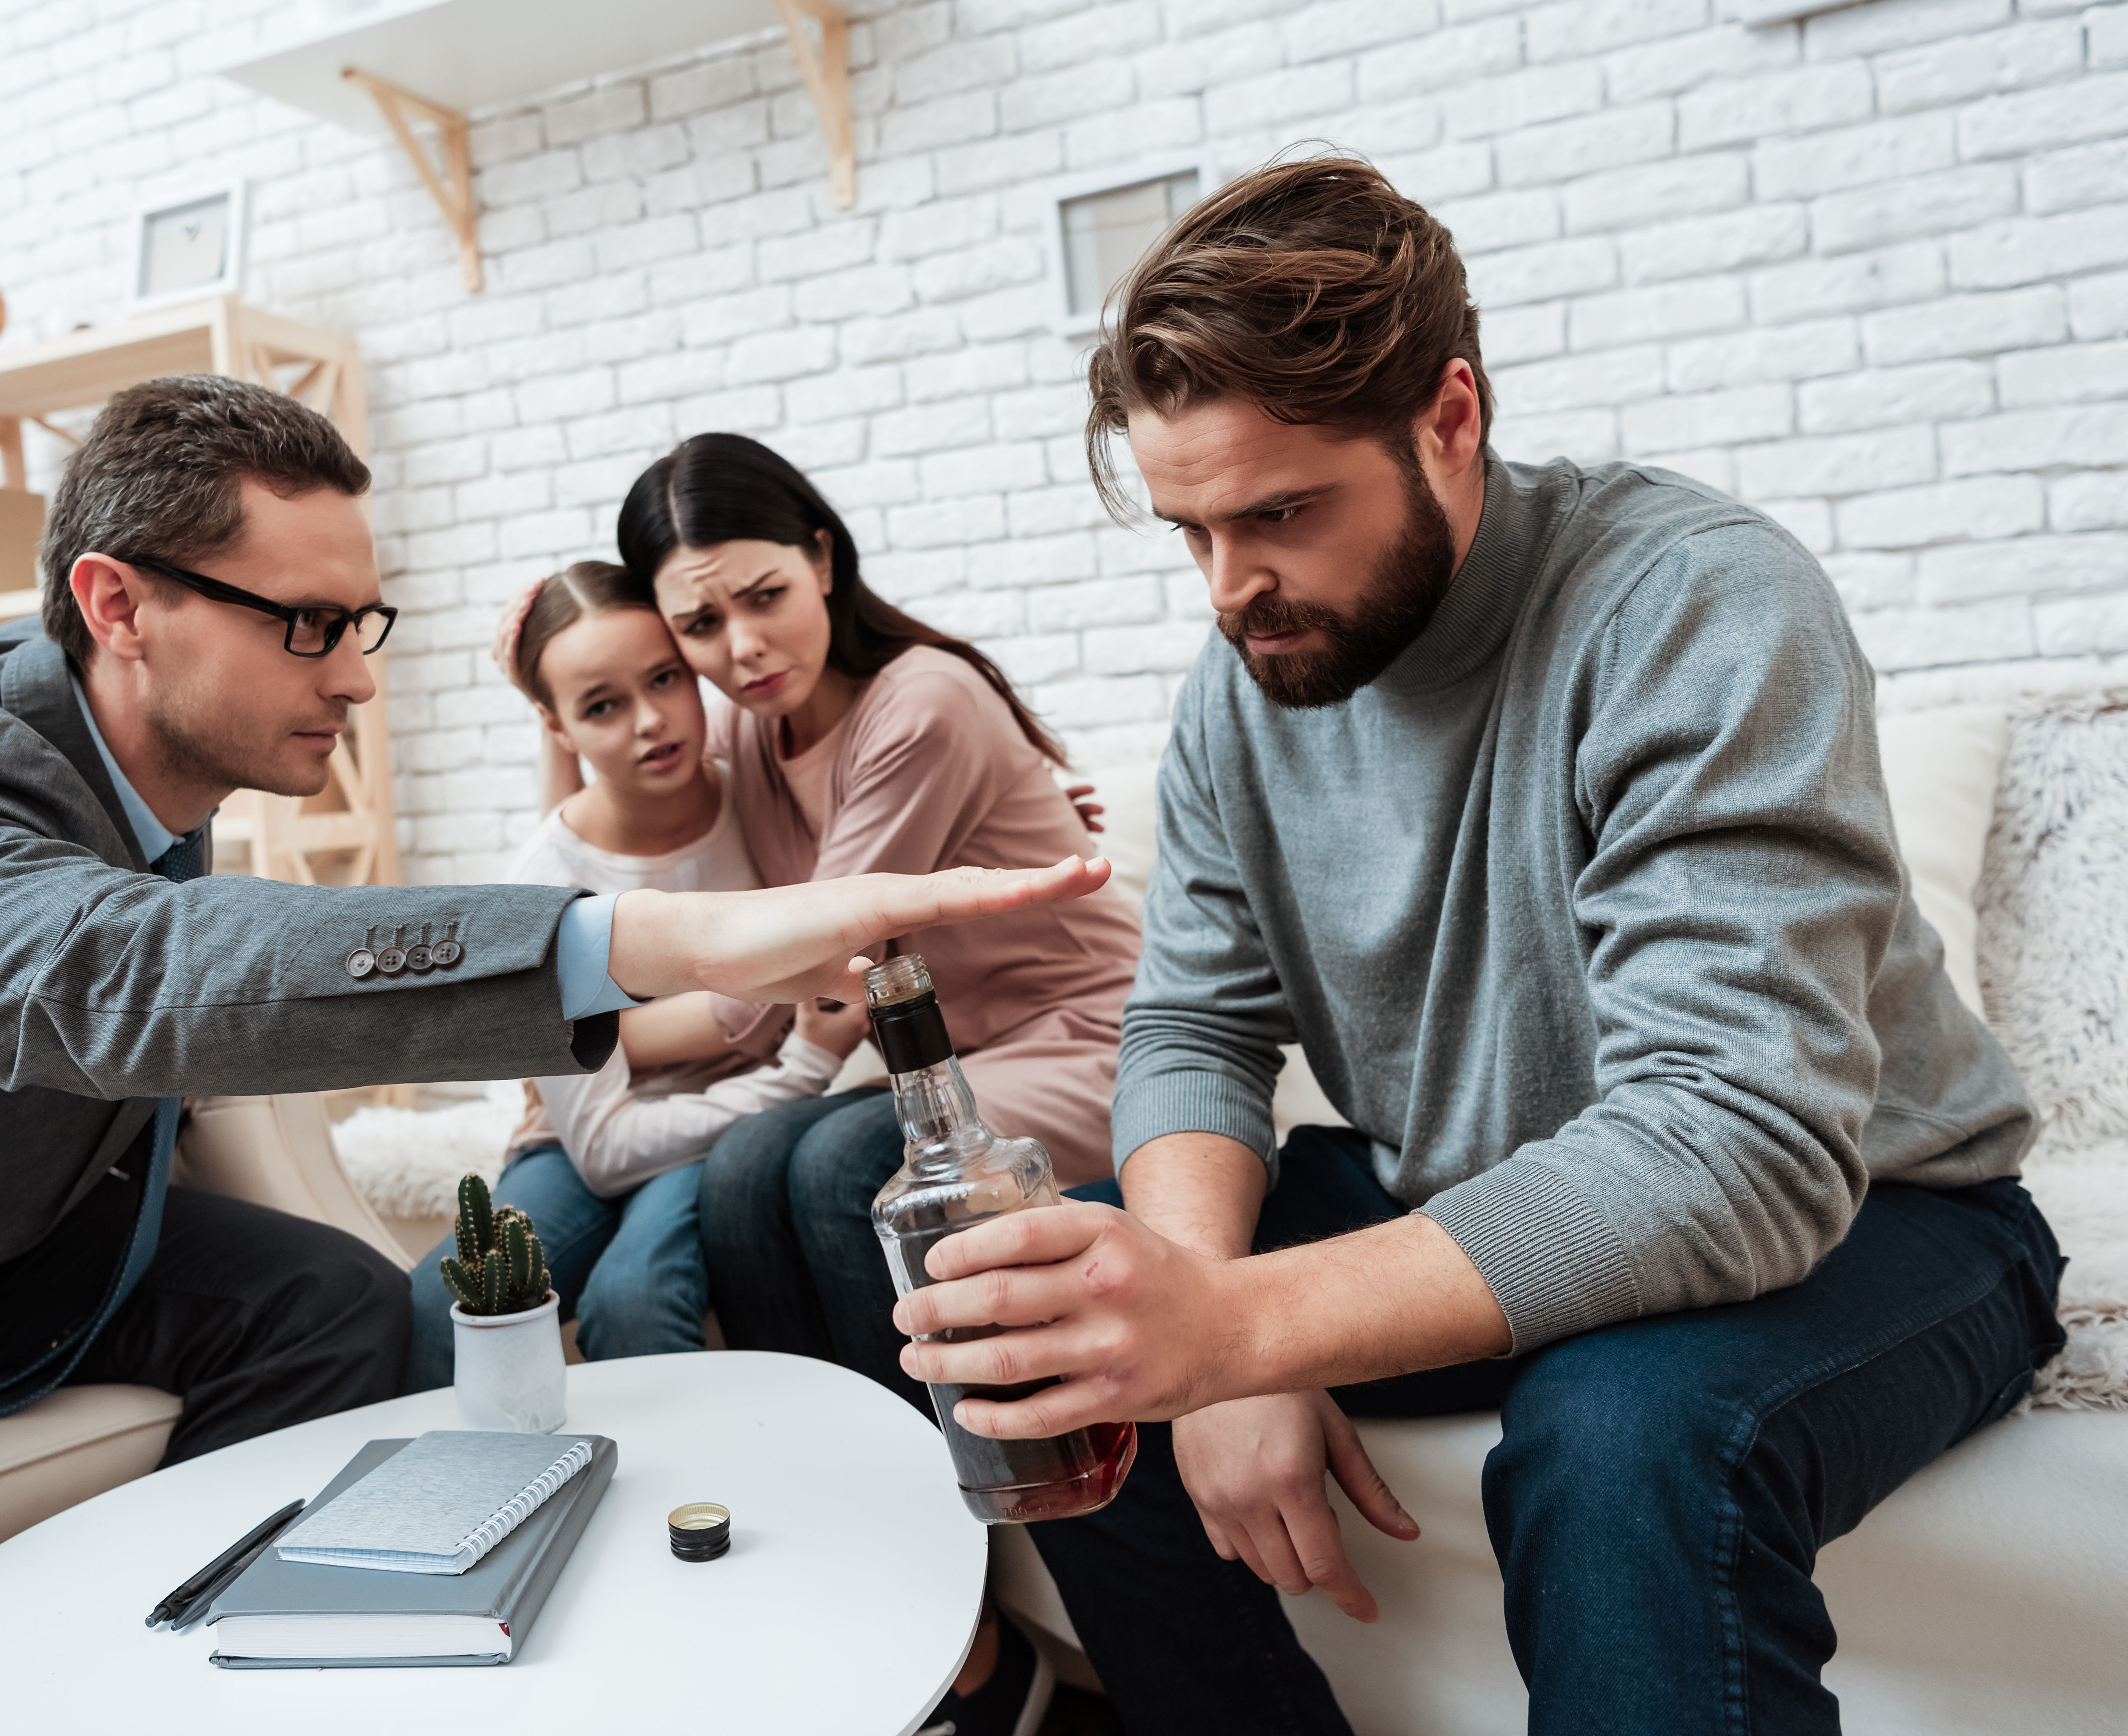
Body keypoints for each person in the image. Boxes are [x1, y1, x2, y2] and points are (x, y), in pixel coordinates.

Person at [0, 375, 1109, 1735]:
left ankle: (234, 1693)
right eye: (308, 626)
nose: (356, 675)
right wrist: (660, 942)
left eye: (363, 620)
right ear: (115, 605)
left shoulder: (163, 791)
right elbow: (116, 973)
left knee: (344, 1306)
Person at [885, 158, 2065, 1736]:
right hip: (1463, 1184)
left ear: (1450, 418)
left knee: (1619, 1437)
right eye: (1187, 532)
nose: (1231, 589)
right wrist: (1182, 1303)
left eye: (1281, 514)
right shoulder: (1242, 684)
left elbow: (1731, 1151)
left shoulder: (1695, 603)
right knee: (1044, 1314)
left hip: (1877, 1208)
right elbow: (1194, 1032)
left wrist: (1226, 1331)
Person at [617, 433, 1141, 1736]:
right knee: (754, 1168)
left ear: (822, 558)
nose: (738, 647)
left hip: (1088, 1036)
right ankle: (897, 1595)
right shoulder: (752, 729)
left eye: (762, 597)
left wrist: (578, 1033)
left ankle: (962, 1546)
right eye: (698, 622)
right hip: (947, 1072)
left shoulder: (922, 701)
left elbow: (775, 977)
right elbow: (624, 825)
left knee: (841, 1165)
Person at [400, 561, 871, 1388]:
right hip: (587, 1140)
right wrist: (799, 1066)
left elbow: (891, 822)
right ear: (556, 726)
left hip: (728, 1134)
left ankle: (708, 1517)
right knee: (441, 1313)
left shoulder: (766, 802)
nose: (653, 722)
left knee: (636, 1298)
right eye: (604, 707)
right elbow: (607, 1149)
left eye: (665, 680)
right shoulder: (540, 885)